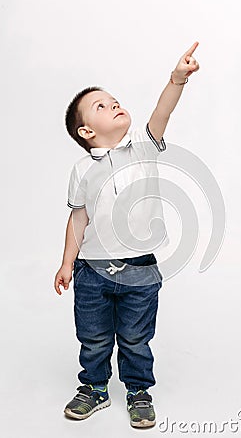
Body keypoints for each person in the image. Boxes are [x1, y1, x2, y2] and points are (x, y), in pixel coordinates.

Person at [54, 41, 199, 428]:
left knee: (136, 338)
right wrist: (67, 263)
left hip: (140, 269)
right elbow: (77, 221)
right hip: (92, 272)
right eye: (101, 106)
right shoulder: (82, 170)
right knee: (94, 336)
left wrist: (176, 80)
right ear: (86, 130)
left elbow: (162, 111)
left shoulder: (143, 148)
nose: (113, 104)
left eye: (114, 99)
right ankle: (95, 388)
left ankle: (138, 389)